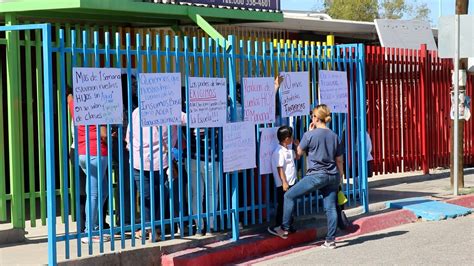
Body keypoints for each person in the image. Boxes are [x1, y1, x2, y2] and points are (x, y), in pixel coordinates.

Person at [268, 104, 344, 249]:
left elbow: (298, 154)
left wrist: (307, 134)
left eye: (312, 116)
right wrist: (340, 176)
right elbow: (339, 160)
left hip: (316, 175)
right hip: (333, 175)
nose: (311, 118)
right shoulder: (335, 136)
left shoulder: (309, 135)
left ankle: (284, 228)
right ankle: (331, 240)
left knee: (289, 196)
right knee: (331, 208)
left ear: (316, 118)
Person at [126, 107, 186, 240]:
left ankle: (151, 229)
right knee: (159, 196)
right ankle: (154, 228)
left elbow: (128, 138)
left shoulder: (136, 112)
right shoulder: (168, 110)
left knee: (147, 197)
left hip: (141, 160)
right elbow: (188, 119)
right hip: (159, 161)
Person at [68, 98, 110, 244]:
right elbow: (103, 134)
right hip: (96, 152)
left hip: (82, 152)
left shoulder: (74, 103)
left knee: (102, 191)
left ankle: (96, 228)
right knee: (93, 194)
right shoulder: (99, 106)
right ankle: (89, 231)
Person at [268, 126, 300, 233]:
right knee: (283, 205)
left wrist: (297, 146)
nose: (292, 139)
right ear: (286, 138)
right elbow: (279, 167)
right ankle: (279, 225)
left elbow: (297, 157)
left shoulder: (288, 150)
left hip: (291, 181)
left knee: (289, 205)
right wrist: (284, 182)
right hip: (284, 184)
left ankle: (288, 225)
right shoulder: (279, 152)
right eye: (291, 137)